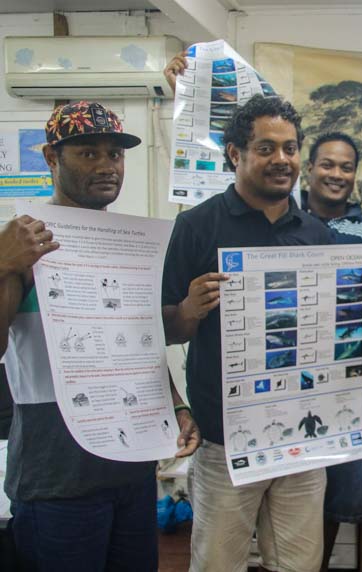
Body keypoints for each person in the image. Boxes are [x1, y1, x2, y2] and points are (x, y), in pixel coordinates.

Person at [0, 101, 199, 571]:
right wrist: (4, 264)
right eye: (88, 154)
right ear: (52, 158)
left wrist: (176, 404)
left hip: (130, 465)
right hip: (56, 476)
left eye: (115, 154)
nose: (107, 166)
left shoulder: (128, 243)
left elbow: (139, 341)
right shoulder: (21, 242)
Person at [162, 95, 333, 572]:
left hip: (303, 435)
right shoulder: (196, 226)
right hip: (224, 438)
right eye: (266, 148)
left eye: (291, 148)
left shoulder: (318, 235)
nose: (282, 160)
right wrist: (190, 309)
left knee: (299, 564)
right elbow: (167, 328)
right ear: (235, 154)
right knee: (217, 563)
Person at [299, 131, 362, 571]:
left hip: (344, 372)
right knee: (281, 479)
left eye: (346, 167)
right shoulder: (280, 211)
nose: (336, 174)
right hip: (282, 368)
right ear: (309, 168)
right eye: (327, 164)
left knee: (339, 489)